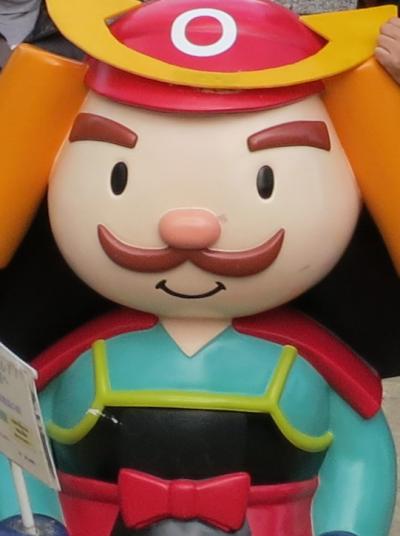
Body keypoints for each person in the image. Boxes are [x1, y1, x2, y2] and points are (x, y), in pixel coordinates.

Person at [0, 0, 398, 535]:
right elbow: (15, 446)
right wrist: (28, 518)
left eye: (266, 182)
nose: (188, 229)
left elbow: (358, 460)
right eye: (119, 176)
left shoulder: (319, 366)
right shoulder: (64, 361)